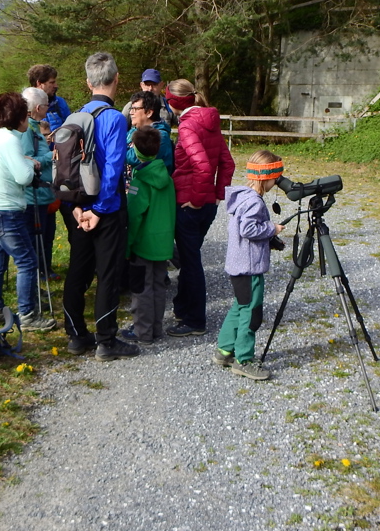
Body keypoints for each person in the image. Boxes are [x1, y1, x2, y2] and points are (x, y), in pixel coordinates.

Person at [61, 52, 140, 361]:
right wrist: (101, 209)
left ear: (87, 82)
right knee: (108, 272)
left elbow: (64, 170)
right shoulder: (114, 119)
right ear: (116, 79)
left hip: (77, 206)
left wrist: (76, 210)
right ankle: (106, 339)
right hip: (105, 208)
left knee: (77, 270)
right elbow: (113, 169)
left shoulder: (73, 118)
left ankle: (76, 335)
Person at [0, 92, 57, 332]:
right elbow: (23, 176)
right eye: (26, 114)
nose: (28, 118)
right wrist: (31, 164)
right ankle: (28, 315)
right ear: (19, 117)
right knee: (27, 260)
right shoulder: (11, 140)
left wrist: (24, 162)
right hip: (5, 210)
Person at [165, 78, 236, 337]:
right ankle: (183, 306)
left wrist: (195, 199)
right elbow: (227, 164)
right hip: (207, 205)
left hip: (190, 204)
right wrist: (216, 196)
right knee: (189, 256)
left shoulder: (187, 127)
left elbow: (204, 167)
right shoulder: (211, 122)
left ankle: (195, 320)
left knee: (191, 261)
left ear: (173, 103)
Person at [214, 150, 286, 380]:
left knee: (239, 306)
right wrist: (271, 229)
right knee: (252, 313)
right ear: (268, 178)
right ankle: (243, 360)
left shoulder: (243, 196)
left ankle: (225, 350)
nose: (277, 183)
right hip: (250, 267)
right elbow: (249, 229)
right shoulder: (254, 202)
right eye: (276, 178)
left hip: (238, 265)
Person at [121, 127, 175, 345]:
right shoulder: (168, 179)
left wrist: (127, 246)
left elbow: (134, 218)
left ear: (135, 149)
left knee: (141, 289)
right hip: (162, 243)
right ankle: (156, 328)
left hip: (143, 244)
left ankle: (143, 332)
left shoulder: (139, 182)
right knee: (159, 286)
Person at [21, 86, 58, 282]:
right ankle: (35, 279)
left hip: (44, 194)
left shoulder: (34, 126)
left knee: (46, 235)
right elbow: (28, 159)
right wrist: (51, 155)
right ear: (37, 107)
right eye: (45, 105)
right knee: (37, 239)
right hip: (34, 195)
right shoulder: (27, 130)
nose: (48, 109)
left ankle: (43, 270)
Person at [125, 90, 173, 174]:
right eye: (131, 109)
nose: (131, 112)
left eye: (135, 109)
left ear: (149, 112)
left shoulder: (159, 136)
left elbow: (136, 158)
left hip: (152, 185)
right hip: (135, 184)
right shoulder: (133, 131)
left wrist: (118, 151)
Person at [28, 64, 71, 133]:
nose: (56, 86)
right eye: (51, 82)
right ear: (39, 84)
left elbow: (71, 128)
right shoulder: (25, 107)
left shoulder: (60, 102)